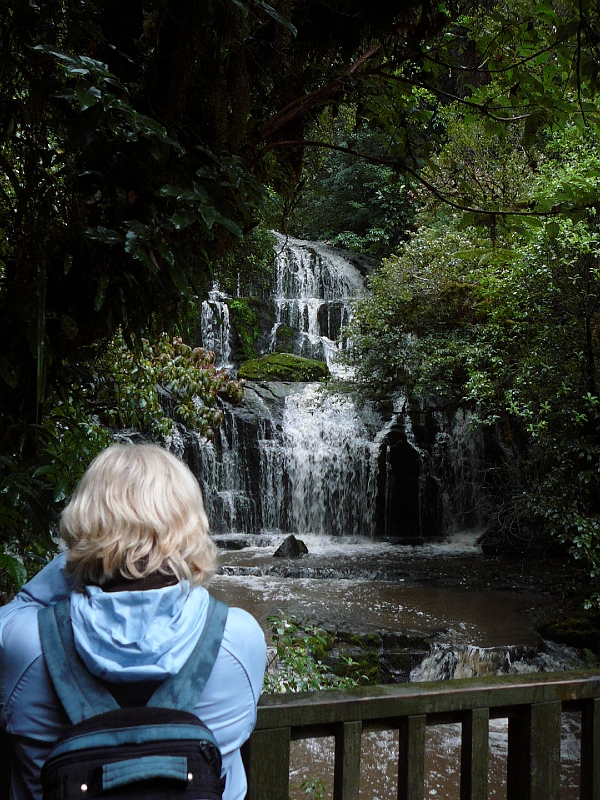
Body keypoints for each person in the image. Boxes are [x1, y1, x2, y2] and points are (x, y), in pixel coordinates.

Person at [0, 443, 266, 800]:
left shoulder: (23, 648)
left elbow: (24, 602)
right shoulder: (238, 639)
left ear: (83, 525)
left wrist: (83, 561)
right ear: (191, 529)